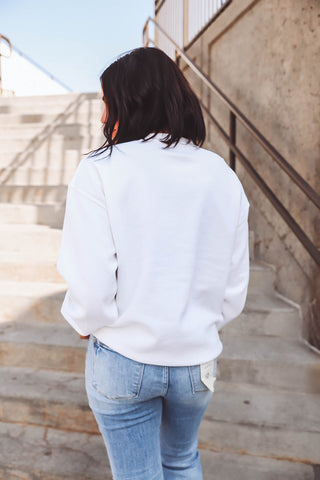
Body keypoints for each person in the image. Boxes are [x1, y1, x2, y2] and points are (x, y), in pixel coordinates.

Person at [56, 46, 250, 480]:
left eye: (106, 102)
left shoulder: (100, 170)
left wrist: (86, 320)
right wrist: (195, 328)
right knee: (182, 461)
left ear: (129, 101)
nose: (102, 116)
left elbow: (89, 287)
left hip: (124, 357)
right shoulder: (222, 174)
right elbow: (234, 290)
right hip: (196, 364)